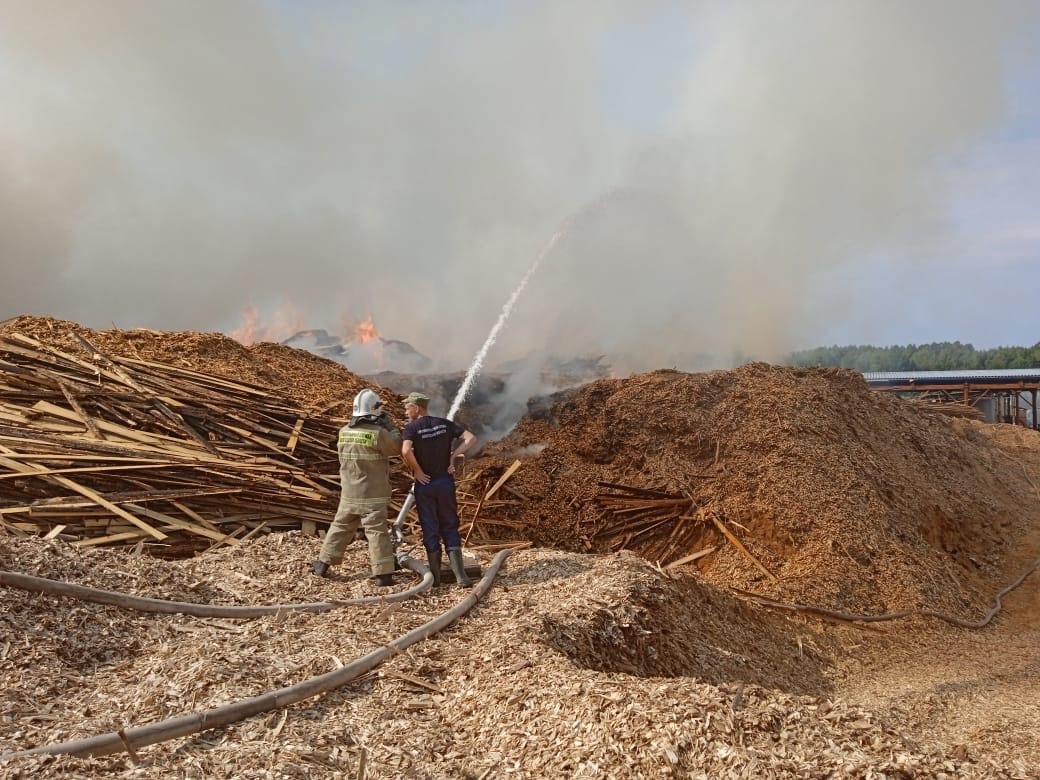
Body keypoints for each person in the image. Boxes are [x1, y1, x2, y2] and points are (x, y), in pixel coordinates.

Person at [311, 388, 400, 587]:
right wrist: (391, 427)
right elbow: (396, 448)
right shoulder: (378, 433)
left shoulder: (344, 432)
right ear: (375, 410)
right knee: (377, 532)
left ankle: (322, 564)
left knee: (340, 526)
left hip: (349, 493)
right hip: (372, 495)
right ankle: (383, 575)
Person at [400, 391, 477, 587]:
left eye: (407, 407)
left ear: (416, 408)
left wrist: (417, 471)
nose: (405, 411)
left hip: (425, 484)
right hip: (445, 483)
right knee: (450, 524)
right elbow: (470, 439)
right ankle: (461, 577)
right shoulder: (445, 424)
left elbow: (406, 450)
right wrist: (452, 457)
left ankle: (435, 579)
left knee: (430, 527)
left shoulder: (412, 428)